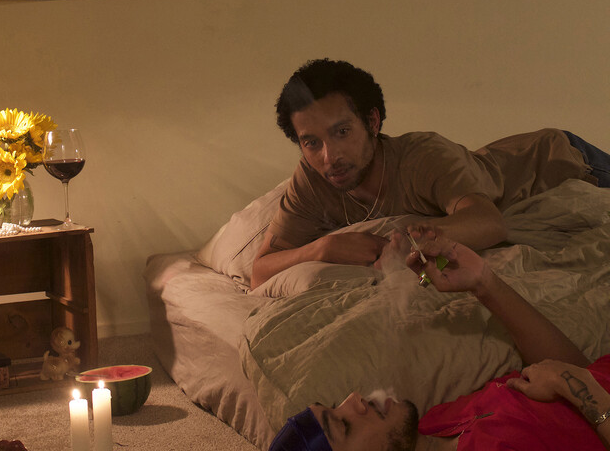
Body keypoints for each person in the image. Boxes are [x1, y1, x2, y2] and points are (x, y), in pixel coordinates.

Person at [258, 228, 610, 451]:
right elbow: (580, 387)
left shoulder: (433, 426)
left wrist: (483, 283)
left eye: (336, 406)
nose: (354, 401)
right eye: (344, 425)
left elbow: (576, 375)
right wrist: (584, 393)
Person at [250, 57, 610, 289]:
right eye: (311, 142)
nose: (329, 157)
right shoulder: (311, 180)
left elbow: (488, 222)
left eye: (342, 132)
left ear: (372, 122)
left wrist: (409, 241)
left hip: (560, 161)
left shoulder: (422, 156)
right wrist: (321, 248)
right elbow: (260, 270)